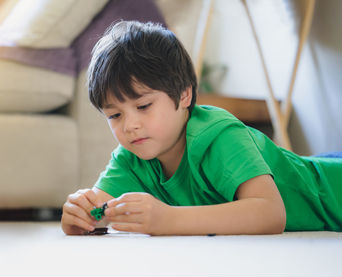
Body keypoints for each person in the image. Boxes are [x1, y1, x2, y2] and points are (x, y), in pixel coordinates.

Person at [61, 20, 342, 236]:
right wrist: (80, 214)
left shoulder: (218, 136)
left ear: (184, 96)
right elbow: (98, 209)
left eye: (143, 106)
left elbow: (271, 213)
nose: (130, 125)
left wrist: (168, 219)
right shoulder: (132, 155)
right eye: (114, 115)